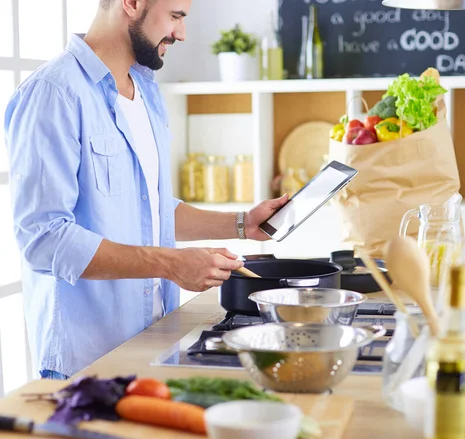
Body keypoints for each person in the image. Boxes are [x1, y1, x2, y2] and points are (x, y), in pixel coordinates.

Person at [4, 0, 288, 380]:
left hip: (154, 341)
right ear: (132, 3)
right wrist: (170, 263)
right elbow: (43, 238)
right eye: (175, 16)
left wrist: (242, 223)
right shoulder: (54, 93)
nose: (182, 33)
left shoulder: (147, 92)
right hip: (86, 361)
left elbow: (148, 209)